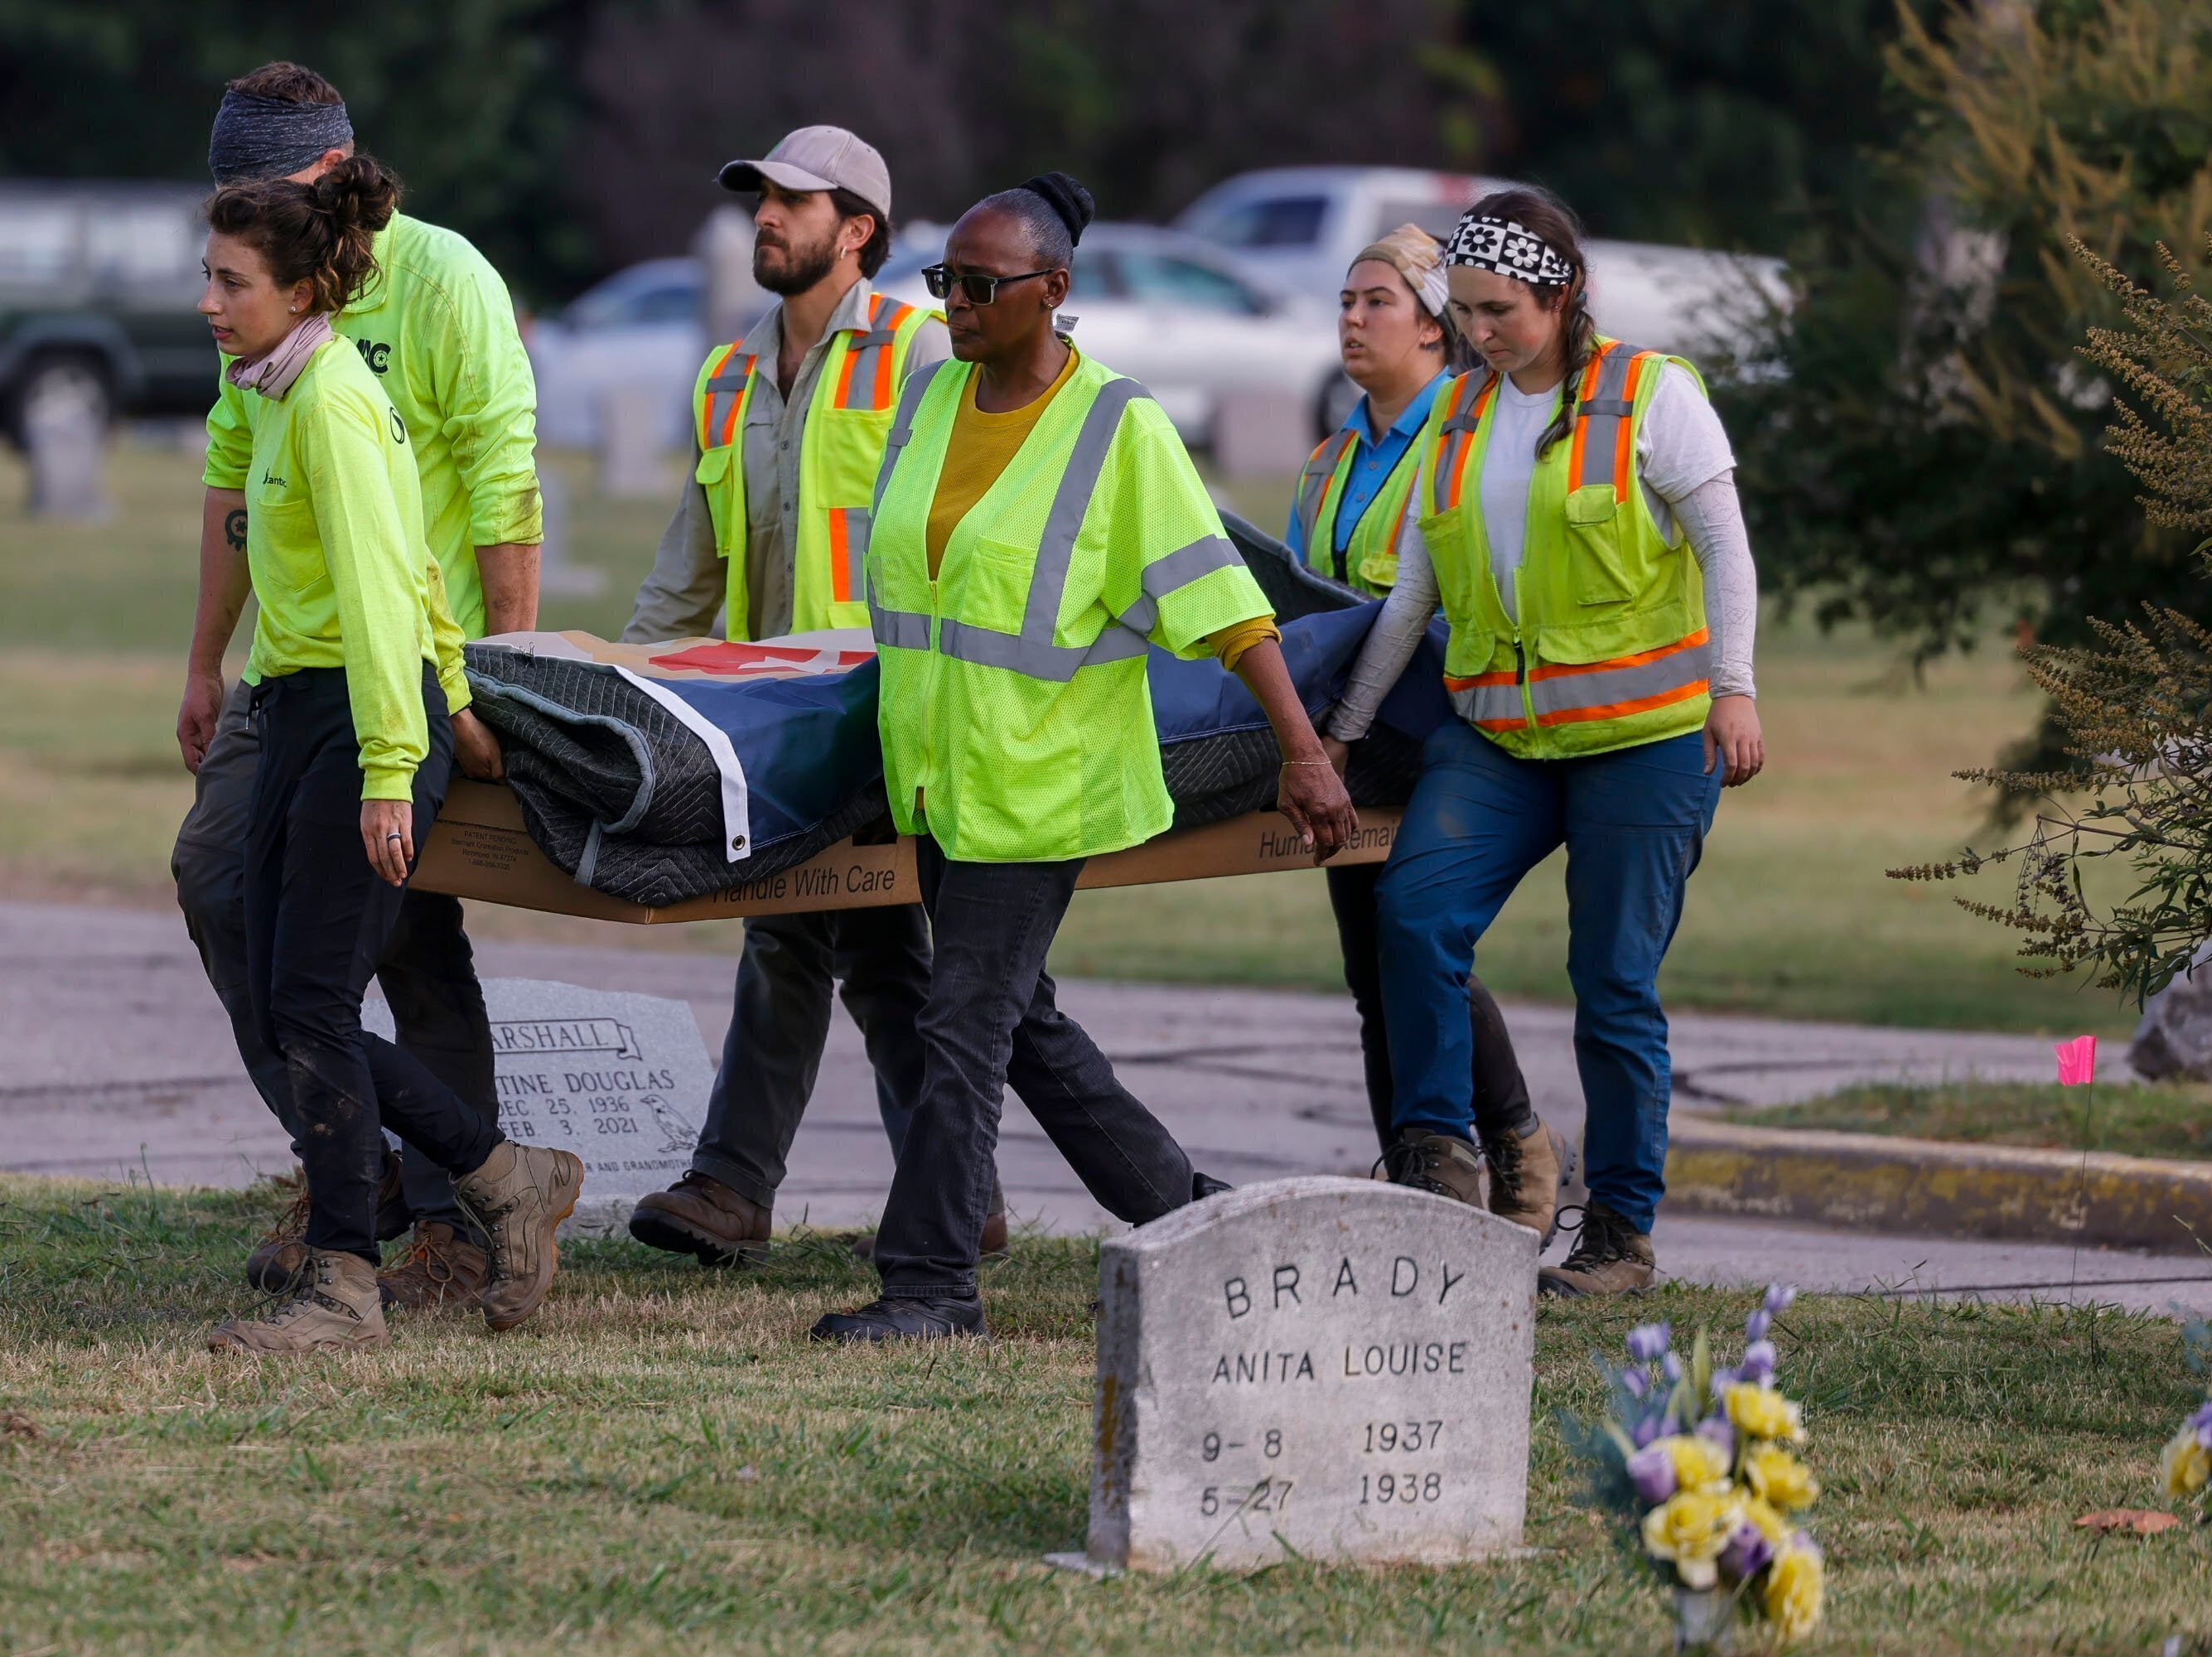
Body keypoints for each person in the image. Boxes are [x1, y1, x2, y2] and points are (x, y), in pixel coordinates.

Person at [809, 173, 1359, 1343]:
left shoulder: (1120, 426)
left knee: (963, 1025)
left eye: (978, 284)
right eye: (943, 280)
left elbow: (1221, 602)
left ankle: (932, 1285)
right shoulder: (928, 402)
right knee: (1021, 1024)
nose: (952, 302)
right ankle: (1183, 1213)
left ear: (1053, 293)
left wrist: (1304, 755)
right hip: (941, 776)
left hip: (1044, 784)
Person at [1319, 187, 1765, 1297]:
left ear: (1563, 297)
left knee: (1612, 983)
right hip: (1502, 741)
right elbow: (1414, 593)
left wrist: (1736, 691)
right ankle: (1436, 1168)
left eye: (1499, 310)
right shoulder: (1461, 416)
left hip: (1645, 742)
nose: (1477, 333)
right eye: (1463, 310)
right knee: (1411, 915)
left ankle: (1618, 1236)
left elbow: (1726, 551)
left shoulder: (1650, 397)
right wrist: (1342, 732)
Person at [192, 159, 583, 1354]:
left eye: (230, 282)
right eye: (206, 277)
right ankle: (508, 1176)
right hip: (301, 706)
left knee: (312, 1004)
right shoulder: (271, 389)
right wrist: (450, 696)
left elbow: (381, 598)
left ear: (307, 287)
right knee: (288, 999)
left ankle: (345, 1285)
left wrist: (391, 764)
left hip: (358, 725)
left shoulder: (332, 406)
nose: (207, 303)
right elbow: (413, 569)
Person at [619, 127, 1013, 1268]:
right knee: (874, 951)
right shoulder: (728, 373)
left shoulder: (926, 353)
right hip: (775, 719)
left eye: (794, 202)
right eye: (760, 200)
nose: (766, 218)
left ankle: (737, 1186)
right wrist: (621, 682)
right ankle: (955, 1192)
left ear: (859, 232)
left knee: (799, 932)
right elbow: (689, 569)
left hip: (886, 706)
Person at [1290, 229, 1567, 1243]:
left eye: (1377, 302)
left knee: (1416, 946)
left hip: (1443, 720)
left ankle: (1509, 1143)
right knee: (1375, 964)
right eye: (1346, 301)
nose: (1353, 320)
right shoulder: (1327, 459)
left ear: (1434, 325)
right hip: (1347, 732)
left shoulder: (1475, 428)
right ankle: (1423, 1169)